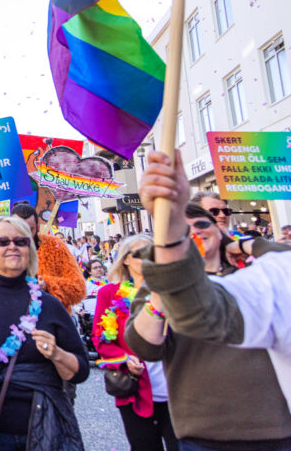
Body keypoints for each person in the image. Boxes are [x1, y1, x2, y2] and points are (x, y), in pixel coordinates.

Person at [124, 165, 291, 448]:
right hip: (206, 432)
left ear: (219, 231)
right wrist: (166, 291)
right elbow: (144, 347)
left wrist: (249, 245)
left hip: (275, 426)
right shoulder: (161, 283)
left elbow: (286, 264)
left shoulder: (250, 273)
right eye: (183, 229)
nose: (197, 232)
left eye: (203, 224)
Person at [0, 215, 88, 450]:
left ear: (29, 250)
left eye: (21, 241)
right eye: (2, 241)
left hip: (44, 428)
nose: (12, 246)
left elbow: (80, 371)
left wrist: (56, 354)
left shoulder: (48, 304)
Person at [92, 235, 177, 451]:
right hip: (136, 388)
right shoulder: (109, 294)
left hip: (178, 389)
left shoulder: (172, 291)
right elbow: (101, 339)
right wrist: (124, 358)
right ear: (126, 260)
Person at [10, 202, 86, 311]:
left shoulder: (55, 246)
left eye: (29, 229)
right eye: (20, 228)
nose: (24, 234)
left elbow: (78, 289)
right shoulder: (3, 248)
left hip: (52, 318)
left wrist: (47, 285)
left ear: (37, 227)